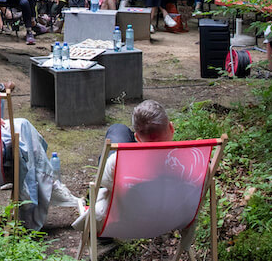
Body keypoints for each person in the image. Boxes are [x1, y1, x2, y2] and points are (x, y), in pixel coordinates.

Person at [74, 99, 208, 235]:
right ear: (171, 128)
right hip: (173, 220)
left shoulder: (116, 162)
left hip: (125, 222)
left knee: (117, 130)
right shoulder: (195, 161)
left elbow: (105, 183)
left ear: (137, 137)